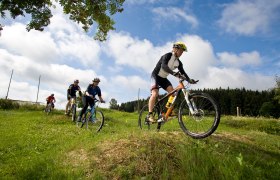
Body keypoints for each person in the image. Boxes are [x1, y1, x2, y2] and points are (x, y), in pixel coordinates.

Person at [147, 41, 197, 123]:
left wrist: (189, 80)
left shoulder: (179, 63)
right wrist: (174, 73)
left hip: (163, 79)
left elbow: (183, 72)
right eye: (180, 50)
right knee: (155, 94)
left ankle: (168, 110)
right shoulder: (168, 55)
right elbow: (164, 66)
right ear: (175, 49)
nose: (181, 53)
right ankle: (149, 114)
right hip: (155, 76)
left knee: (173, 94)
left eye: (182, 52)